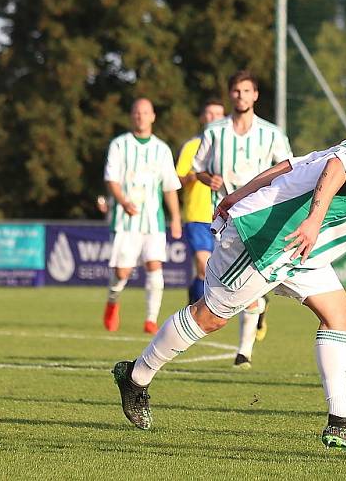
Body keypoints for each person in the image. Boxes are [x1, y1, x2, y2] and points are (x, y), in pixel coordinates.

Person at [111, 113, 346, 458]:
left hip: (298, 249)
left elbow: (292, 165)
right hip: (267, 239)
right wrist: (313, 220)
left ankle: (341, 421)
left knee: (339, 314)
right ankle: (136, 376)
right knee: (210, 316)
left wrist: (239, 193)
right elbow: (336, 168)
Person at [192, 70, 293, 369]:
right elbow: (198, 168)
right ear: (230, 94)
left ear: (255, 95)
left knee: (245, 285)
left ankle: (243, 353)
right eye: (236, 91)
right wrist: (208, 179)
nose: (241, 96)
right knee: (227, 282)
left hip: (258, 217)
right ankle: (259, 304)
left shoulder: (271, 134)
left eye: (246, 91)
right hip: (223, 218)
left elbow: (289, 168)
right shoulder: (214, 132)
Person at [102, 98, 182, 334]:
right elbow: (112, 179)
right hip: (125, 219)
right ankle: (112, 301)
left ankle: (150, 319)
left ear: (153, 116)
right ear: (131, 116)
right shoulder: (119, 145)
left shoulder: (162, 149)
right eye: (137, 112)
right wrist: (123, 200)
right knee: (122, 272)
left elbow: (169, 186)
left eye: (145, 112)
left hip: (153, 221)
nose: (141, 116)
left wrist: (175, 217)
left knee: (154, 266)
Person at [175, 99, 226, 305]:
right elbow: (178, 178)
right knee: (204, 267)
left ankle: (257, 310)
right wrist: (198, 175)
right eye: (209, 113)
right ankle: (195, 313)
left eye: (218, 114)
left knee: (225, 273)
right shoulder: (192, 146)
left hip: (226, 215)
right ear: (203, 117)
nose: (213, 118)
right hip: (197, 215)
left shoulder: (229, 146)